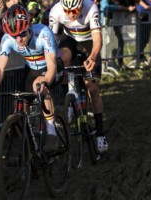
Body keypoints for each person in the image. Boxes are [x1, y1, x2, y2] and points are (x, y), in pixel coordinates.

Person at [0, 4, 64, 152]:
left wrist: (44, 81)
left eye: (22, 34)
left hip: (52, 66)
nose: (18, 39)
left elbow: (51, 66)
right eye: (14, 36)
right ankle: (30, 140)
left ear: (29, 27)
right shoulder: (7, 39)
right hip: (31, 68)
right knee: (19, 102)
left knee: (40, 87)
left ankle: (51, 133)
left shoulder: (43, 33)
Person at [49, 0, 109, 153]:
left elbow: (97, 39)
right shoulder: (55, 11)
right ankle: (68, 99)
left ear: (81, 6)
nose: (71, 15)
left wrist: (93, 57)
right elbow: (51, 42)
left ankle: (100, 133)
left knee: (93, 89)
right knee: (61, 60)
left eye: (75, 11)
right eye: (67, 11)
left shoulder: (91, 8)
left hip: (89, 43)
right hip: (70, 41)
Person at [100, 0, 135, 69]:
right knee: (110, 44)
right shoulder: (105, 0)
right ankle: (109, 63)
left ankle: (118, 62)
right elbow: (105, 7)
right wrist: (119, 7)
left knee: (120, 42)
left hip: (114, 24)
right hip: (106, 26)